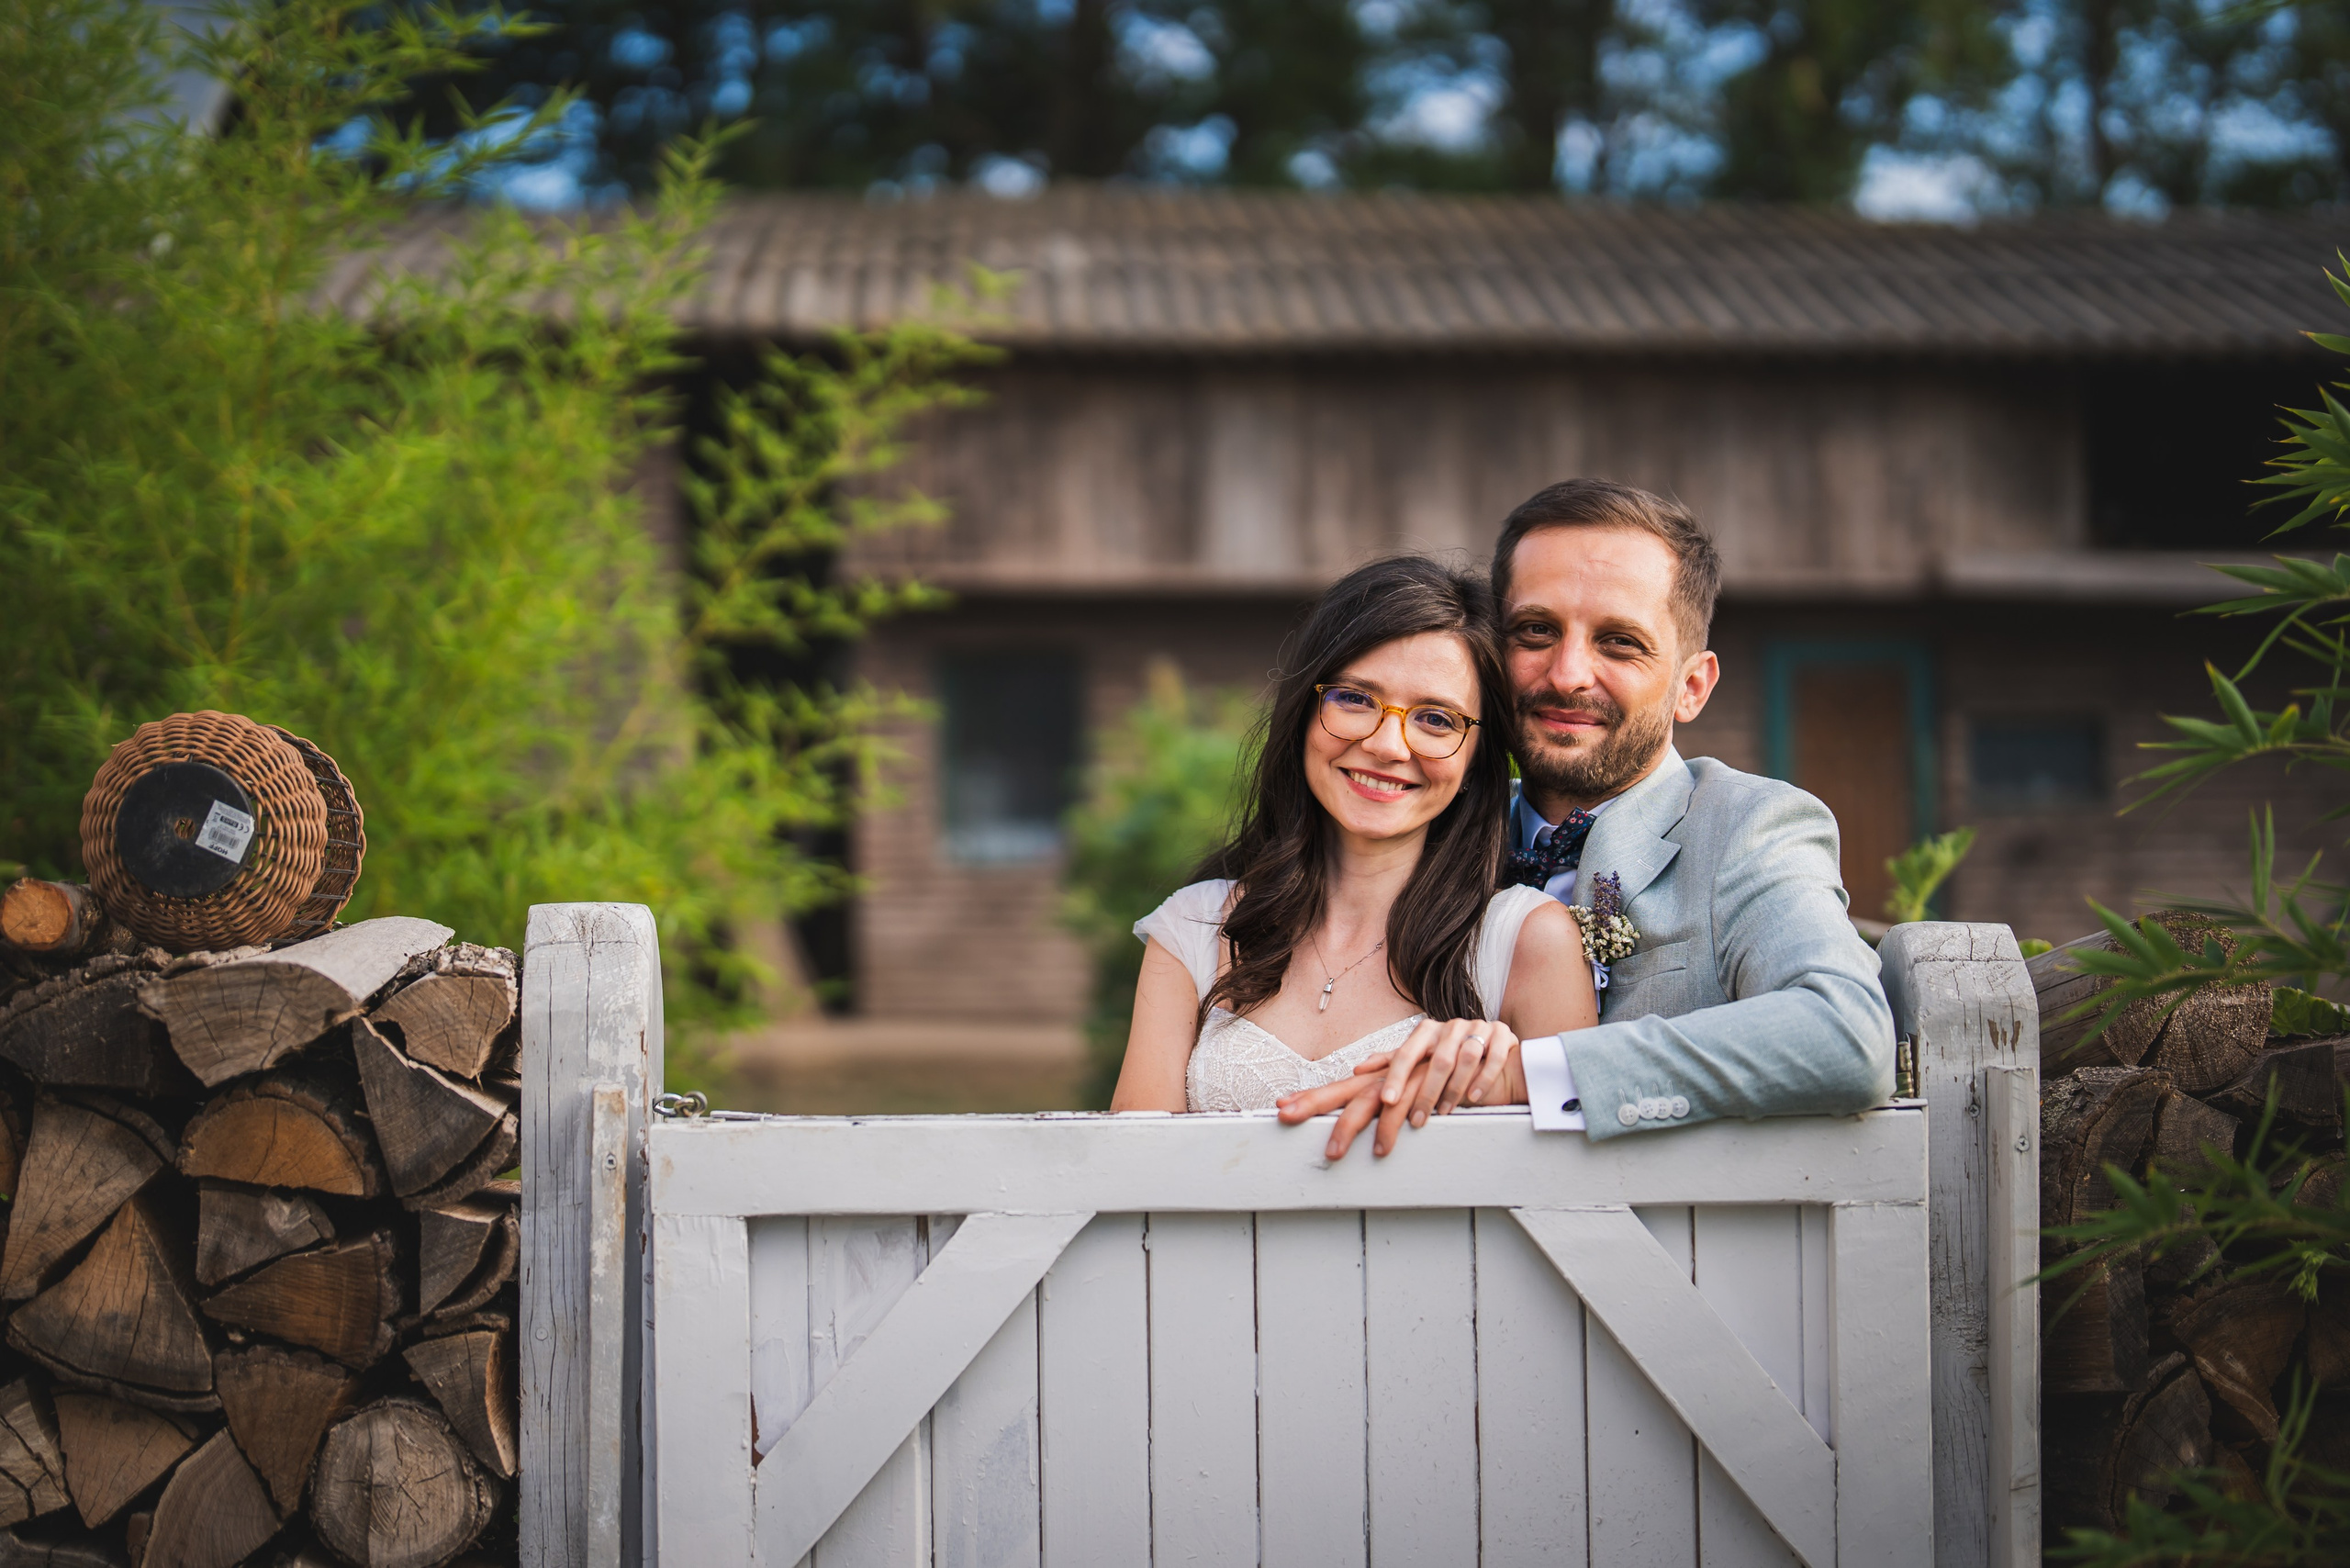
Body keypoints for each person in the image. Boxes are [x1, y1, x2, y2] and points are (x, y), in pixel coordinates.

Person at [1277, 478, 1897, 1158]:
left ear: (1692, 686)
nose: (1568, 674)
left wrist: (1535, 1073)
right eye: (1536, 631)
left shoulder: (1747, 828)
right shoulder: (1422, 820)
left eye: (1620, 642)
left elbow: (1846, 1036)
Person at [1110, 556, 1595, 1127]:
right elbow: (1131, 1178)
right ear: (1305, 713)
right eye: (1356, 699)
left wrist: (1501, 1080)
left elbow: (1572, 1185)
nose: (1389, 744)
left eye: (1437, 719)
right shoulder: (1193, 927)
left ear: (1477, 761)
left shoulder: (1528, 940)